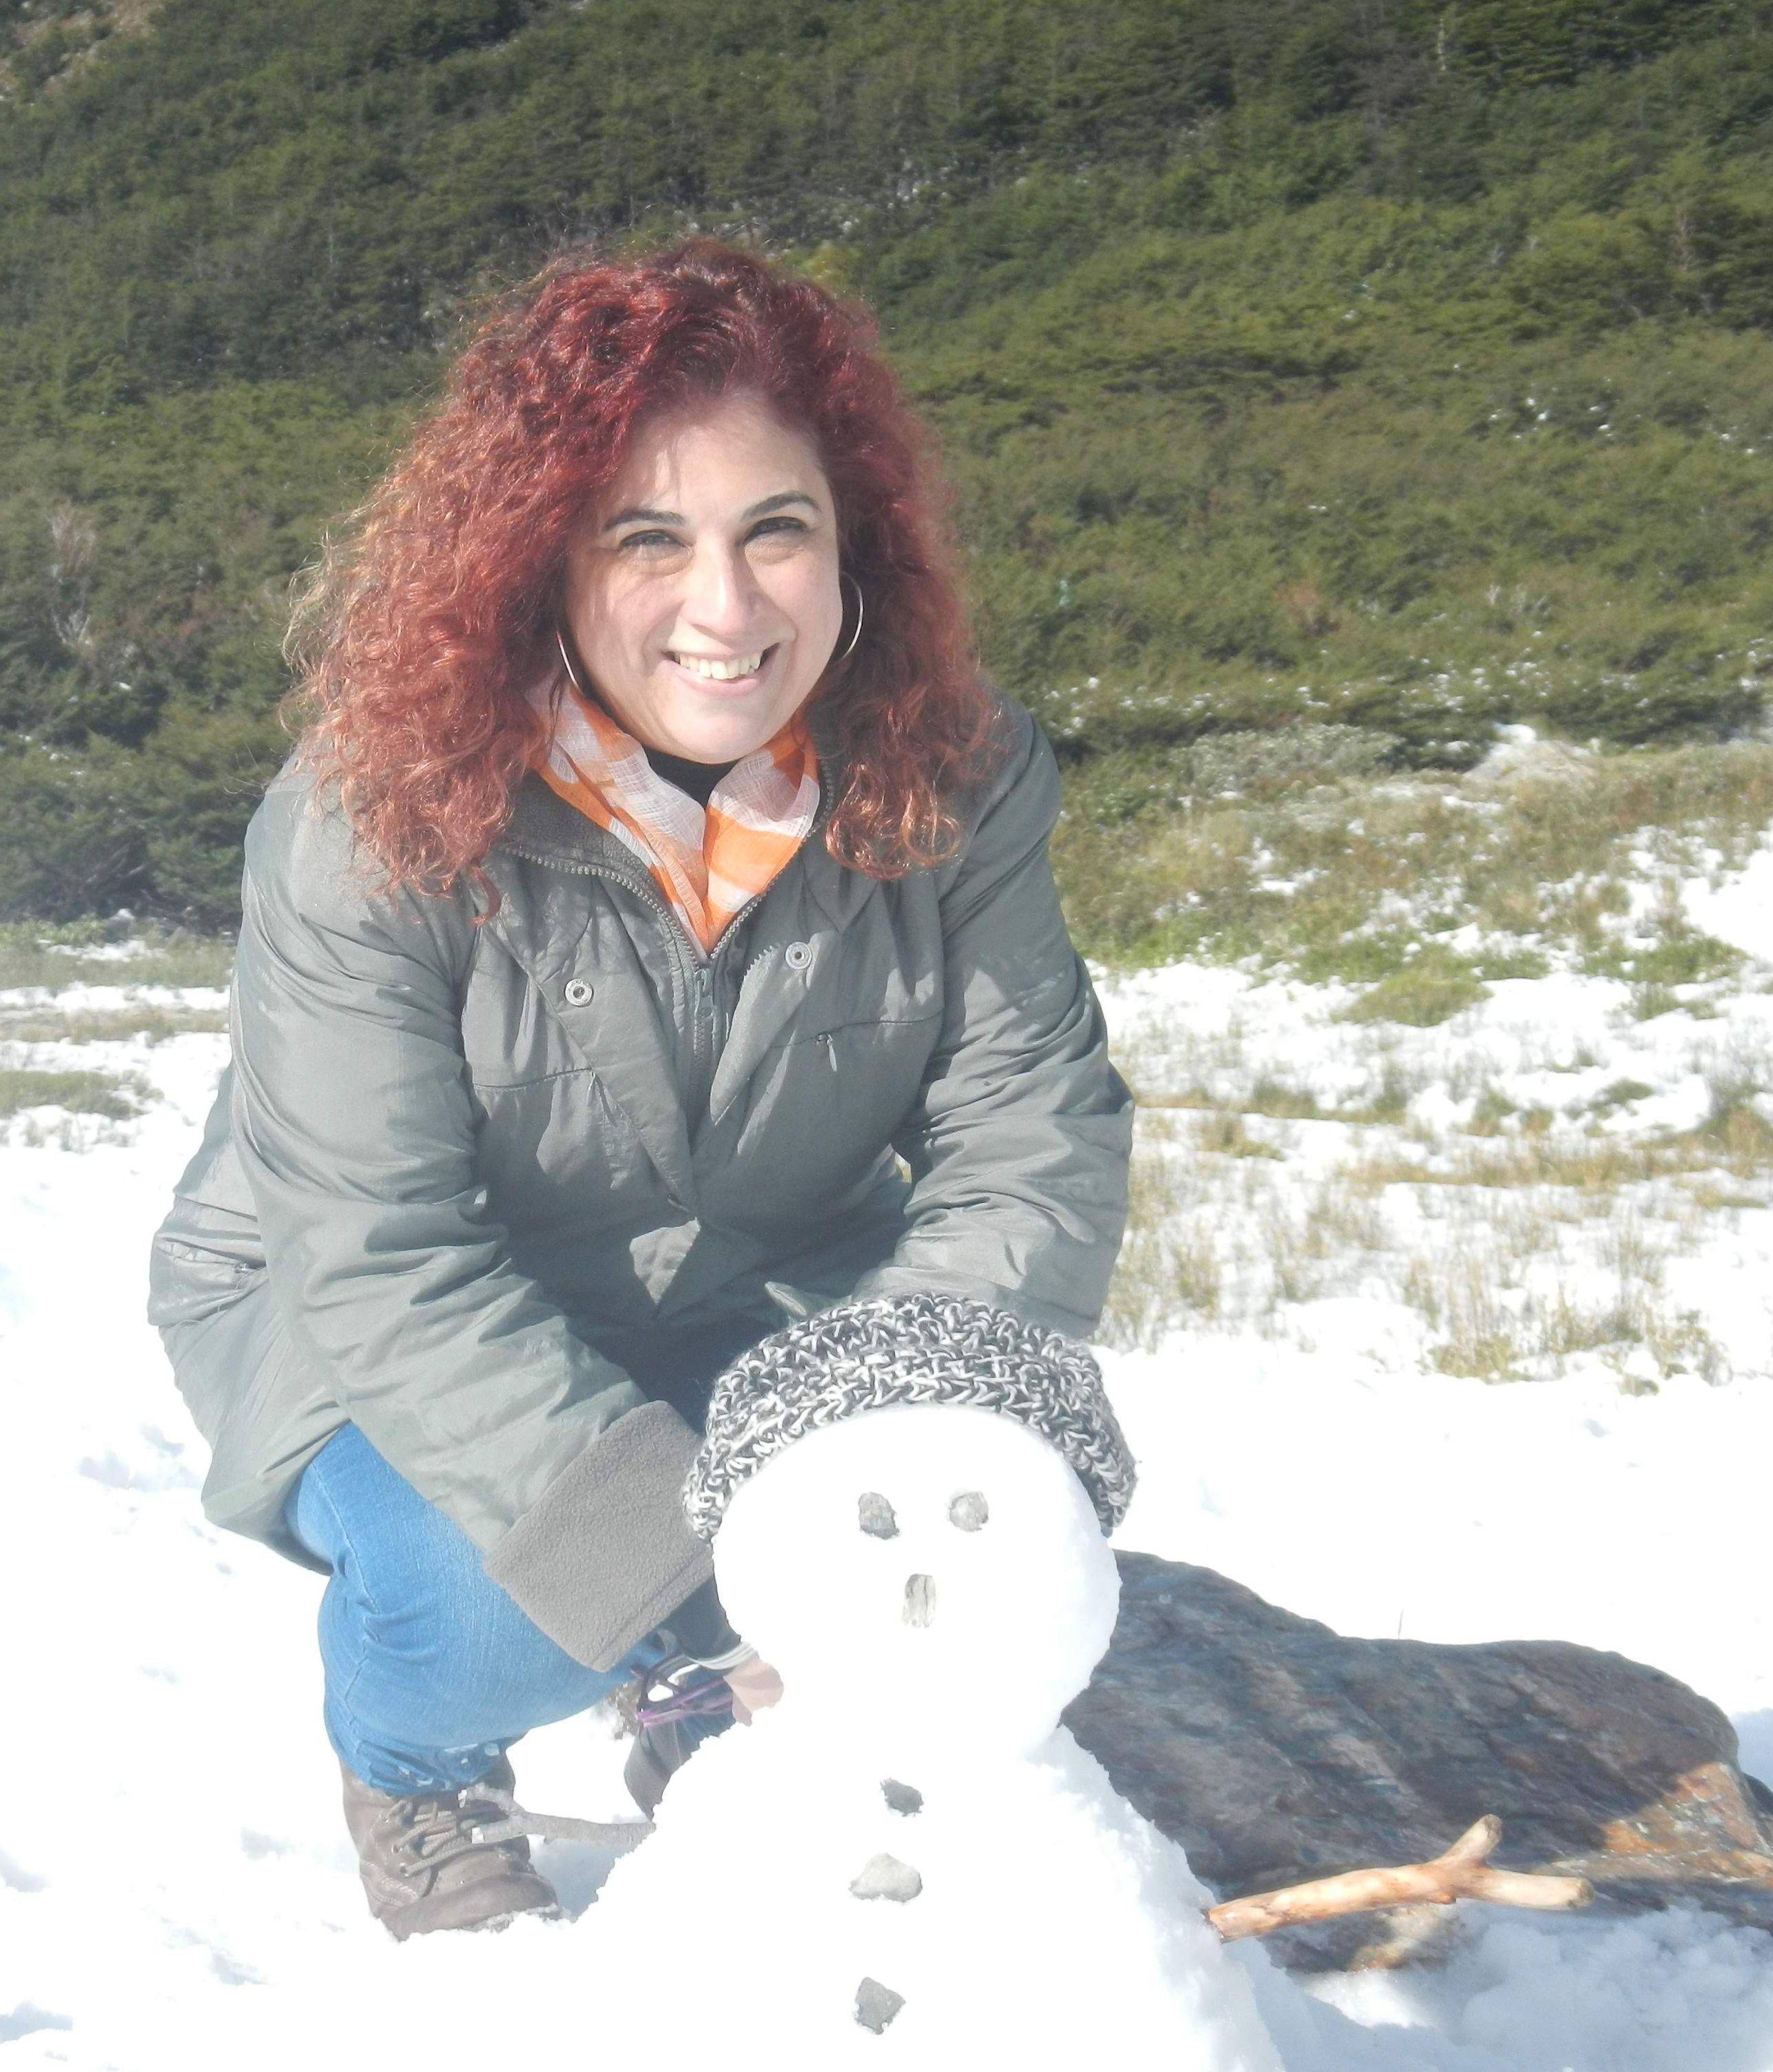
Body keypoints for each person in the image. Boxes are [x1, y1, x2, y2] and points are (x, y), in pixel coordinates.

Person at [147, 240, 1133, 1941]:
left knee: (960, 1534)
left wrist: (872, 1449)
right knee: (509, 1607)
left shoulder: (957, 776)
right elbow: (380, 1250)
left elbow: (1028, 1133)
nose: (727, 608)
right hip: (364, 1316)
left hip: (765, 1292)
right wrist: (700, 1585)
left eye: (776, 529)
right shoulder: (368, 816)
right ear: (542, 560)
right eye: (648, 537)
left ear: (854, 542)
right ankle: (409, 1759)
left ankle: (691, 1693)